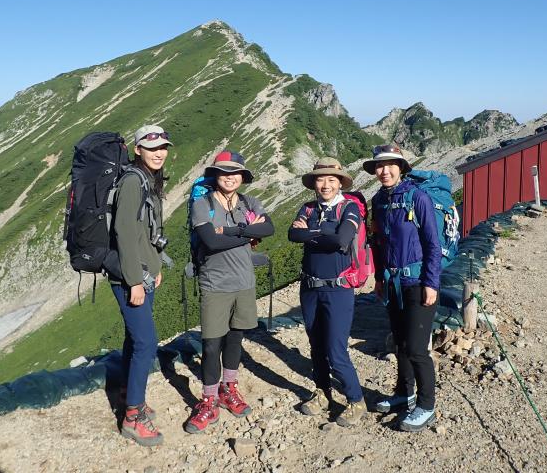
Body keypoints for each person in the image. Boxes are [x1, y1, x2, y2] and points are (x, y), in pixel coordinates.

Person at [186, 150, 274, 434]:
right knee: (211, 345)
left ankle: (228, 389)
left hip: (244, 282)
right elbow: (210, 242)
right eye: (223, 172)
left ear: (242, 177)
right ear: (215, 176)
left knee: (235, 339)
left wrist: (229, 231)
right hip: (215, 284)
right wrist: (246, 232)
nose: (229, 177)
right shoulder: (203, 204)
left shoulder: (249, 202)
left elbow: (270, 228)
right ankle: (208, 400)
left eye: (235, 172)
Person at [364, 144, 442, 432]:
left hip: (417, 283)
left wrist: (431, 283)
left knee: (417, 348)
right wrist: (380, 279)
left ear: (401, 167)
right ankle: (403, 393)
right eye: (379, 166)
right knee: (399, 343)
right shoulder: (378, 201)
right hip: (393, 282)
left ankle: (426, 405)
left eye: (390, 165)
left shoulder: (417, 198)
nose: (384, 171)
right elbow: (378, 243)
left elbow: (433, 244)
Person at [288, 157, 366, 426]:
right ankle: (323, 392)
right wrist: (324, 232)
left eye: (332, 179)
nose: (325, 185)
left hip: (338, 290)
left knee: (335, 350)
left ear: (340, 182)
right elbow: (292, 235)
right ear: (314, 183)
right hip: (309, 288)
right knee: (316, 346)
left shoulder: (350, 207)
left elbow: (342, 239)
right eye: (320, 179)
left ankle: (356, 400)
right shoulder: (308, 207)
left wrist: (310, 232)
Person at [109, 124, 172, 447]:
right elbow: (124, 232)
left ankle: (128, 393)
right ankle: (132, 417)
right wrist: (134, 281)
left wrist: (155, 267)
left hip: (144, 273)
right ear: (138, 150)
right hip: (130, 277)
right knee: (147, 342)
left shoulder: (147, 178)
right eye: (151, 148)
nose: (159, 153)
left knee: (135, 339)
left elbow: (146, 232)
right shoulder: (134, 181)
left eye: (162, 148)